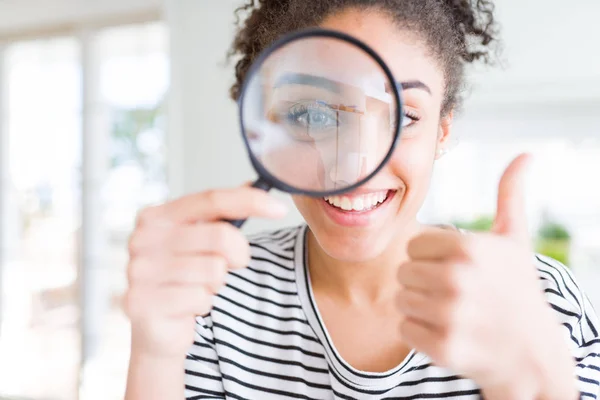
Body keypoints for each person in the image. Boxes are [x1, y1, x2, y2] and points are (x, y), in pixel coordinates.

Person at [123, 1, 600, 399]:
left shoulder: (539, 298)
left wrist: (533, 383)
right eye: (310, 114)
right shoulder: (210, 293)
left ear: (443, 129)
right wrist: (154, 351)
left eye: (404, 117)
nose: (352, 167)